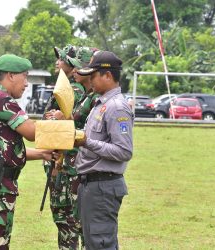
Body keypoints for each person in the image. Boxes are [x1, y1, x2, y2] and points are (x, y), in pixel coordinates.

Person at [0, 54, 57, 250]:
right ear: (10, 76)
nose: (26, 83)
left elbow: (6, 150)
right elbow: (32, 132)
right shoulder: (1, 98)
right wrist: (58, 121)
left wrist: (42, 154)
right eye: (24, 77)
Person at [74, 51, 134, 250]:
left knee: (101, 244)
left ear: (108, 76)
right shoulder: (101, 104)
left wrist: (86, 142)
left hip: (103, 186)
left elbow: (124, 151)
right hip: (93, 185)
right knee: (94, 243)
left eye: (93, 75)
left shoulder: (116, 107)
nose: (89, 80)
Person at [49, 46, 99, 249]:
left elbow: (84, 131)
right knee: (67, 219)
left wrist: (64, 119)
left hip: (80, 166)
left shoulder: (94, 97)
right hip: (69, 163)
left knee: (80, 223)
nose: (76, 71)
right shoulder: (87, 95)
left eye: (80, 67)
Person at [42, 44, 86, 250]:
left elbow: (70, 123)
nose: (57, 62)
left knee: (67, 217)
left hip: (67, 162)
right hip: (60, 159)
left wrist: (61, 117)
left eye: (60, 59)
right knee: (66, 217)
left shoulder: (73, 89)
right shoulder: (66, 87)